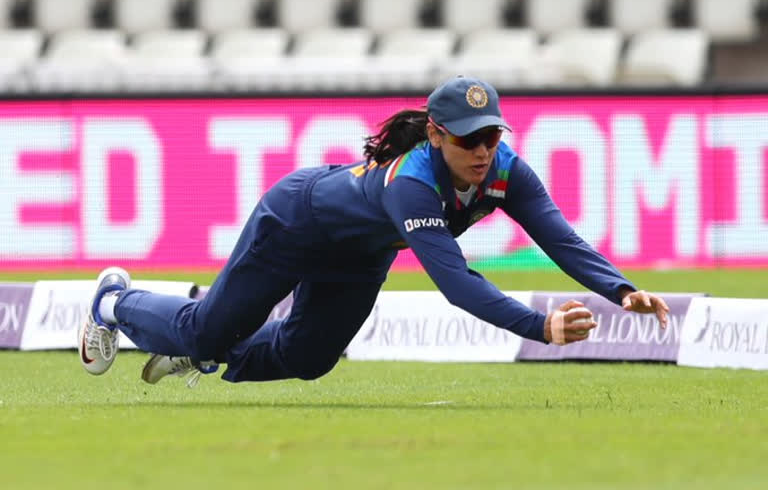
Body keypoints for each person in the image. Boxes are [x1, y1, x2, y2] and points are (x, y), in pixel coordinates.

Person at [78, 76, 670, 386]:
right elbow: (458, 284)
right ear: (436, 135)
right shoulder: (411, 183)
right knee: (203, 332)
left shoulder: (506, 170)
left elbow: (559, 237)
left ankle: (208, 352)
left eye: (493, 136)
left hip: (358, 256)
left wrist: (619, 288)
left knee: (310, 358)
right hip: (295, 222)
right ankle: (113, 301)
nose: (484, 151)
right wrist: (539, 325)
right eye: (469, 139)